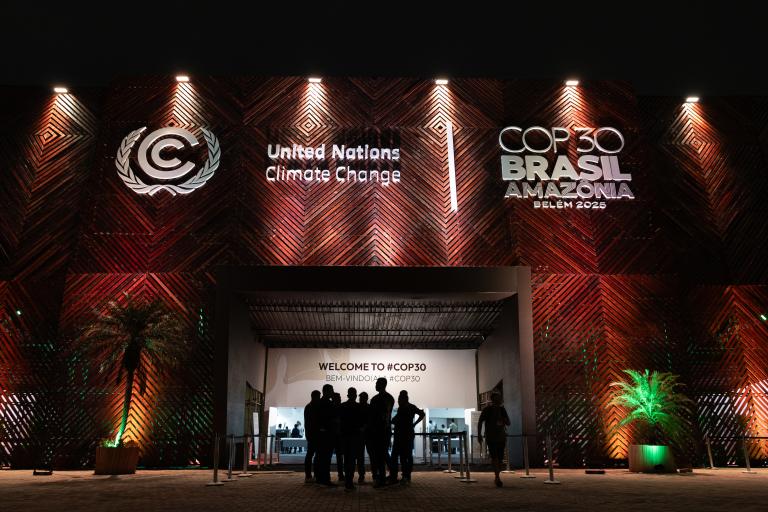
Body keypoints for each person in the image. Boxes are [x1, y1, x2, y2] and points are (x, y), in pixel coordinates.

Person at [390, 390, 425, 485]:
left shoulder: (405, 408)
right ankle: (405, 476)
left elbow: (396, 420)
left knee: (401, 456)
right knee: (405, 456)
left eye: (399, 399)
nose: (398, 401)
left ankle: (402, 476)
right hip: (406, 434)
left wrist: (414, 424)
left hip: (403, 434)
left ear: (403, 398)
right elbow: (422, 414)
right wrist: (414, 424)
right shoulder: (410, 407)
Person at [477, 392, 511, 487]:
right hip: (491, 437)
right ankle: (497, 477)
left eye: (500, 398)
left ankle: (497, 475)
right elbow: (480, 421)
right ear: (493, 399)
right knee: (494, 457)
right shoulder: (487, 409)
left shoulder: (502, 410)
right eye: (498, 398)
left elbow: (508, 422)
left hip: (501, 437)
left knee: (500, 459)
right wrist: (479, 434)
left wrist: (503, 420)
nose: (499, 400)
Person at [368, 377, 395, 487]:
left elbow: (384, 415)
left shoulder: (381, 399)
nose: (375, 385)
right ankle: (388, 476)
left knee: (381, 454)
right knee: (382, 454)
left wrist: (376, 428)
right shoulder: (386, 398)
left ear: (382, 385)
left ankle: (384, 478)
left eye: (377, 383)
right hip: (382, 430)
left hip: (381, 431)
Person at [339, 387, 364, 491]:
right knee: (352, 460)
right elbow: (362, 422)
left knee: (347, 459)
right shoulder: (359, 407)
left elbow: (339, 421)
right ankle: (349, 481)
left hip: (345, 436)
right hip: (355, 437)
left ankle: (348, 481)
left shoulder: (342, 406)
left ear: (348, 395)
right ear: (355, 395)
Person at [314, 384, 337, 486]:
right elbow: (330, 418)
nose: (333, 392)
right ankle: (325, 479)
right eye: (331, 390)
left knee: (320, 457)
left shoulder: (319, 403)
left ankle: (320, 479)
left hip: (322, 435)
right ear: (327, 391)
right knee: (325, 458)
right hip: (326, 435)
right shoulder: (327, 403)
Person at [304, 390, 321, 482]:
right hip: (313, 435)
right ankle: (309, 475)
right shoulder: (310, 407)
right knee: (312, 455)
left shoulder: (309, 406)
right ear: (314, 397)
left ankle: (311, 475)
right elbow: (309, 423)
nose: (319, 398)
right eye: (318, 396)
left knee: (312, 455)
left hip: (312, 434)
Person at [357, 391, 370, 484]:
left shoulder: (358, 407)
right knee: (370, 455)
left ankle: (361, 475)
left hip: (361, 434)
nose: (360, 400)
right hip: (368, 434)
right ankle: (374, 475)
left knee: (360, 456)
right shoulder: (369, 407)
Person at [332, 392, 344, 482]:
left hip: (337, 435)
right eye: (338, 397)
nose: (340, 399)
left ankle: (341, 474)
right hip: (337, 435)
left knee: (340, 456)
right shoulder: (340, 407)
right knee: (340, 457)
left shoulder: (332, 407)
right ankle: (341, 474)